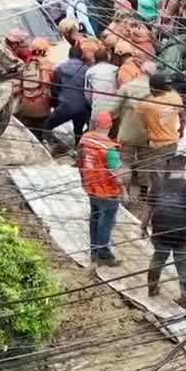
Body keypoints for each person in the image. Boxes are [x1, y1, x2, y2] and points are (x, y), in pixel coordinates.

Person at [141, 166, 186, 309]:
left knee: (158, 259)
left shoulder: (157, 186)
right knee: (183, 265)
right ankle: (185, 297)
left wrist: (143, 227)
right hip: (183, 235)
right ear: (182, 171)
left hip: (160, 233)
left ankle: (152, 288)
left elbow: (148, 210)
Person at [79, 112, 124, 266]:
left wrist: (83, 180)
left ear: (96, 124)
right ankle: (103, 255)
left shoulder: (85, 139)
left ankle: (94, 251)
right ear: (110, 126)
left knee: (95, 219)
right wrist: (124, 191)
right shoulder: (110, 149)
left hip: (91, 187)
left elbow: (80, 161)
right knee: (105, 223)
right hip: (108, 192)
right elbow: (117, 176)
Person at [134, 72, 186, 197]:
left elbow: (134, 107)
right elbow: (183, 118)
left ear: (152, 88)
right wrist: (181, 132)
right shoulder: (175, 97)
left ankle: (155, 199)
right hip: (173, 142)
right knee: (166, 171)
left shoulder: (148, 105)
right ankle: (165, 192)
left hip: (158, 145)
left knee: (156, 174)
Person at [115, 59, 156, 187]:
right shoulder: (156, 92)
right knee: (146, 161)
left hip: (127, 131)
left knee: (125, 161)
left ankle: (125, 190)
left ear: (141, 71)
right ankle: (144, 191)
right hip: (147, 132)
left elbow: (114, 107)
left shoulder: (127, 87)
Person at [47, 44, 91, 146]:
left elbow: (55, 89)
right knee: (78, 130)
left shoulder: (60, 68)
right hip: (81, 108)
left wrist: (55, 104)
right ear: (81, 56)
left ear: (69, 55)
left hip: (65, 106)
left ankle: (47, 145)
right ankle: (77, 151)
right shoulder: (86, 70)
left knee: (47, 125)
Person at [16, 38, 56, 142]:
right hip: (42, 109)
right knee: (45, 134)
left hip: (26, 108)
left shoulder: (25, 65)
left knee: (31, 137)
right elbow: (55, 88)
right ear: (45, 50)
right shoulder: (49, 66)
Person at [85, 47, 120, 122]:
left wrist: (93, 104)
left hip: (98, 109)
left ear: (95, 59)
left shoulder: (90, 72)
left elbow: (87, 93)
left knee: (94, 132)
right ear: (108, 58)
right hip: (115, 109)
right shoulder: (117, 69)